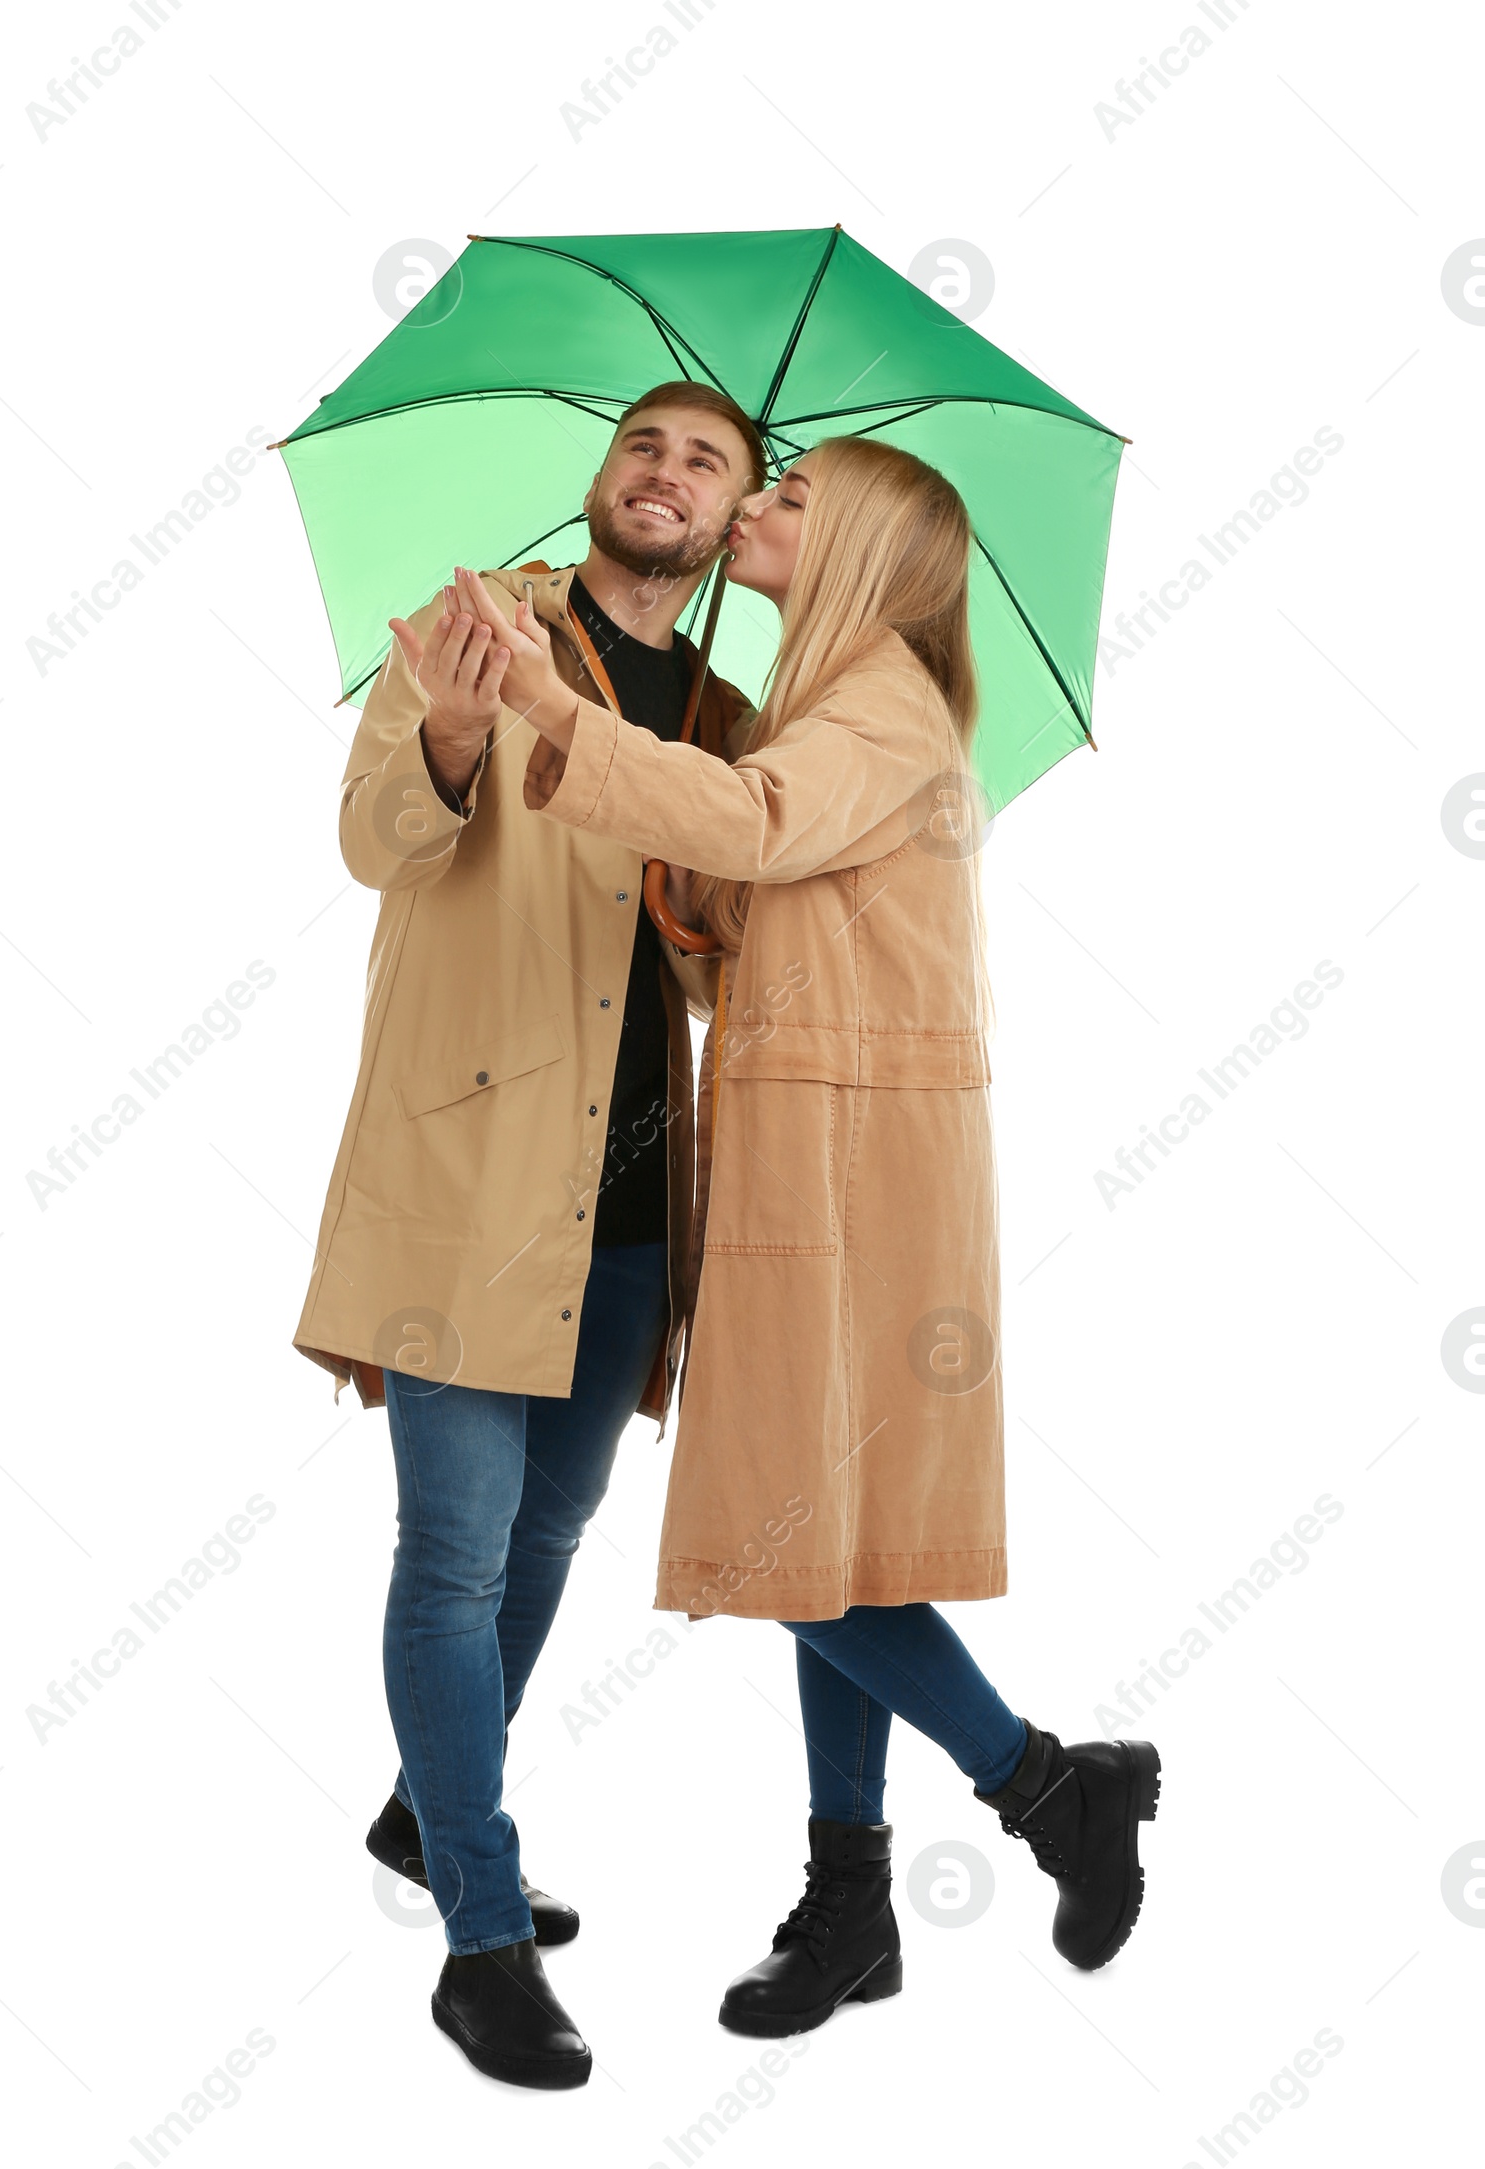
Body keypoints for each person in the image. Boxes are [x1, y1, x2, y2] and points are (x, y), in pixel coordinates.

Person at [446, 431, 1162, 2042]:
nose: (748, 506)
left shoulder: (881, 701)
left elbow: (764, 819)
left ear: (862, 555)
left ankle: (1050, 1785)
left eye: (783, 498)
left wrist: (560, 717)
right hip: (826, 1151)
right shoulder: (836, 708)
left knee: (782, 1539)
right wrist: (698, 904)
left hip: (852, 1170)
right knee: (826, 1536)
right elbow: (777, 889)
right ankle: (854, 1899)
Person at [293, 382, 764, 2088]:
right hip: (472, 1178)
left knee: (553, 1536)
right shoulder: (477, 625)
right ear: (603, 474)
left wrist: (702, 896)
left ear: (732, 524)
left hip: (636, 1197)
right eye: (648, 443)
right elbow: (371, 843)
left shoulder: (723, 716)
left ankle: (431, 1810)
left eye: (708, 462)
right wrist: (448, 738)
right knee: (457, 1551)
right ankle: (479, 1935)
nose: (669, 474)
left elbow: (725, 965)